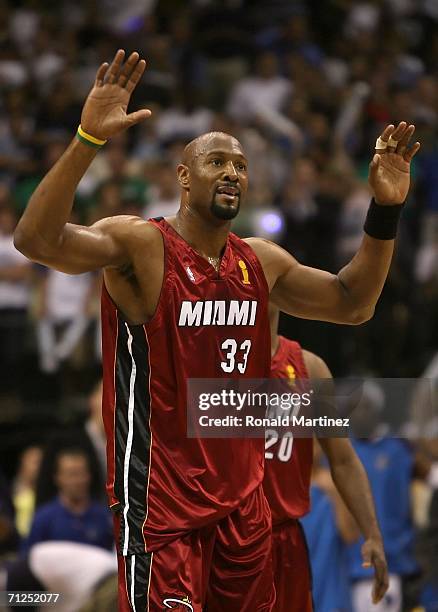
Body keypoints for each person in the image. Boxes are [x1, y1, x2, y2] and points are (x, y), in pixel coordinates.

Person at [14, 49, 419, 611]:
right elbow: (36, 241)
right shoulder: (142, 245)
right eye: (218, 162)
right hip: (161, 507)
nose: (233, 172)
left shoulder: (262, 261)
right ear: (183, 176)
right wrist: (88, 140)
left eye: (241, 165)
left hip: (244, 507)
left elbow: (353, 303)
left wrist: (384, 212)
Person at [264, 304, 388, 611]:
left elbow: (343, 459)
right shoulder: (208, 362)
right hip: (226, 538)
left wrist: (372, 534)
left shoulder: (310, 369)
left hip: (284, 538)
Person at [22, 447, 113, 555]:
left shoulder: (104, 516)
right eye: (71, 474)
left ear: (89, 476)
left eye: (81, 473)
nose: (77, 480)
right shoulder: (43, 519)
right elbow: (29, 558)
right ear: (58, 477)